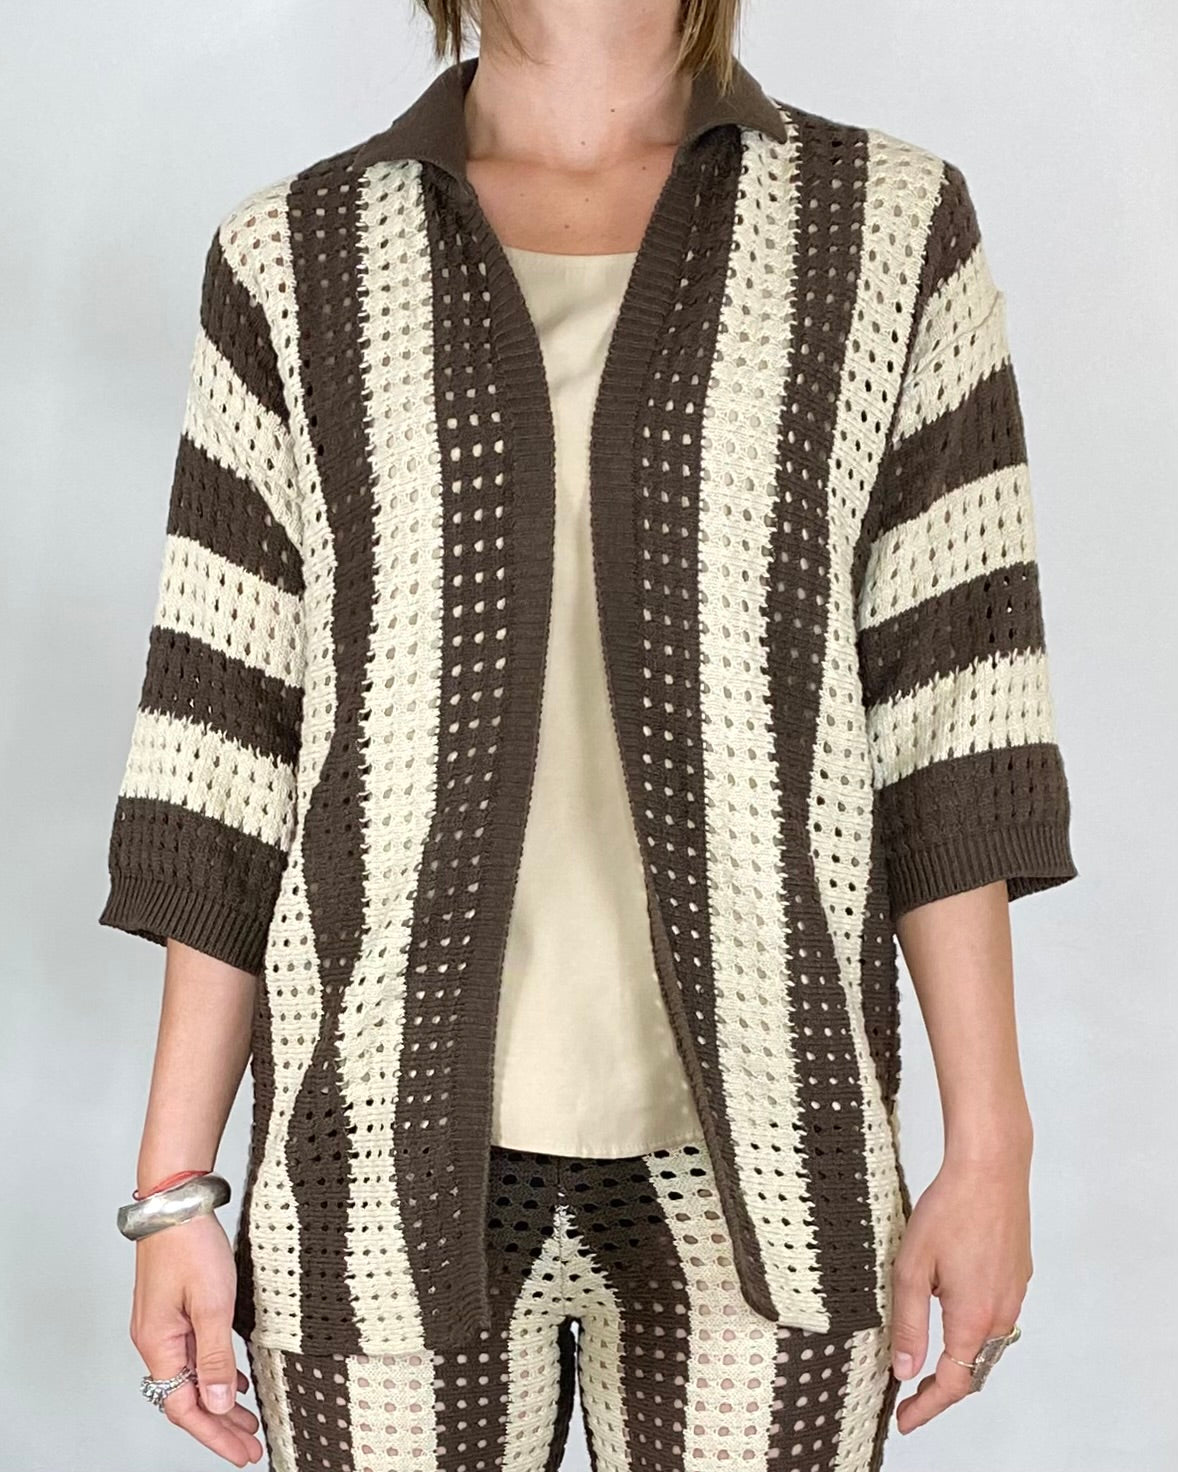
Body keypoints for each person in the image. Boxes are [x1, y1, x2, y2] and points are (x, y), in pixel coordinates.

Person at [99, 1, 1078, 1468]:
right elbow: (223, 742)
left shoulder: (883, 227)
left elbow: (955, 722)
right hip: (371, 1162)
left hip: (776, 1159)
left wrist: (989, 1149)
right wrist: (174, 1187)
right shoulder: (297, 255)